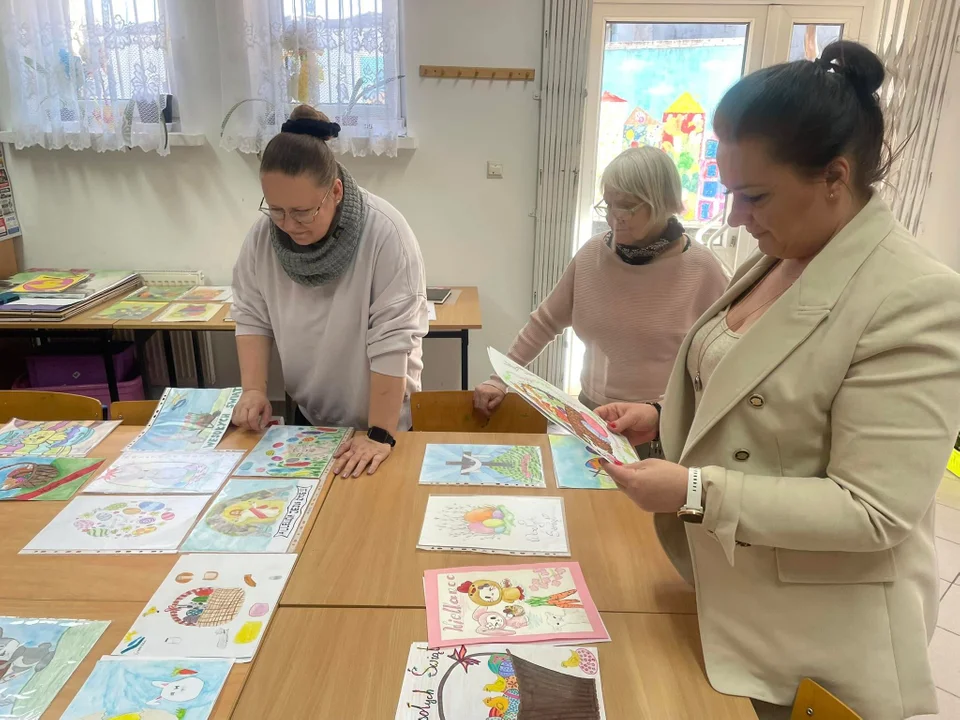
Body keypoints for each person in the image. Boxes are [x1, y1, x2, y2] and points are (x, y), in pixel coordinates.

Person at [596, 41, 960, 720]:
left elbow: (873, 511)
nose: (735, 217)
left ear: (834, 176)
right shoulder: (784, 253)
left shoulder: (916, 297)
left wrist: (695, 489)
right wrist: (660, 415)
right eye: (732, 192)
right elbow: (754, 391)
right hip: (725, 590)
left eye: (754, 196)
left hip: (810, 636)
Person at [474, 146, 727, 455]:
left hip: (657, 428)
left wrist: (662, 413)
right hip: (592, 415)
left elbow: (722, 363)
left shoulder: (702, 269)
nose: (613, 217)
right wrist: (499, 380)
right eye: (608, 204)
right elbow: (544, 323)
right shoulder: (593, 255)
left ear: (661, 202)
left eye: (627, 206)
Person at [231, 104, 428, 478]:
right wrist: (254, 390)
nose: (289, 225)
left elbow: (394, 339)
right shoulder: (262, 239)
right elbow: (252, 314)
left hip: (382, 423)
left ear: (335, 191)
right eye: (276, 210)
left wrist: (380, 434)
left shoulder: (385, 234)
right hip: (312, 417)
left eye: (302, 212)